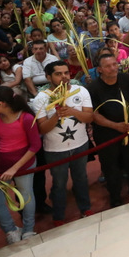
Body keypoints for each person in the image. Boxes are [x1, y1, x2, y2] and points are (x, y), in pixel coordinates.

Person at [29, 61, 95, 222]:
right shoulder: (41, 98)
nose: (64, 77)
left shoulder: (81, 91)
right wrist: (57, 115)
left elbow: (89, 117)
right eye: (58, 74)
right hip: (55, 150)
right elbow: (42, 129)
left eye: (66, 73)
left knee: (81, 178)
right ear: (48, 77)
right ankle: (58, 216)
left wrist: (72, 111)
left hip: (80, 145)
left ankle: (85, 208)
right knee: (59, 184)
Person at [87, 53, 129, 207]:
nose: (113, 68)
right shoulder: (93, 88)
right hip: (106, 133)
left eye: (114, 64)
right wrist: (115, 126)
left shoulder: (127, 79)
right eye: (108, 66)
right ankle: (115, 195)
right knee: (111, 166)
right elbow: (94, 114)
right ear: (99, 69)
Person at [0, 86, 41, 244]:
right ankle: (11, 229)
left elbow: (35, 146)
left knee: (26, 197)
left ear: (1, 104)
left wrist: (14, 168)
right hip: (1, 166)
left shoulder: (26, 118)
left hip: (23, 165)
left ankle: (29, 229)